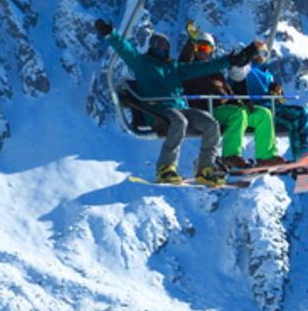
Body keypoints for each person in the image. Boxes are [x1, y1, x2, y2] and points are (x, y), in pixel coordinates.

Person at [95, 18, 261, 186]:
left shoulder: (175, 67)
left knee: (211, 124)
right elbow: (125, 49)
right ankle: (166, 168)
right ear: (150, 47)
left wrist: (228, 61)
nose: (161, 48)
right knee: (179, 121)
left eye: (164, 45)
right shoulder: (142, 63)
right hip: (157, 111)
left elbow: (203, 67)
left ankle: (206, 168)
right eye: (157, 44)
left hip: (180, 109)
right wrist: (110, 34)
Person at [178, 22, 286, 169]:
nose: (203, 52)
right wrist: (190, 42)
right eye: (199, 48)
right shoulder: (189, 70)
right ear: (195, 51)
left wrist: (239, 101)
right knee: (237, 114)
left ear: (211, 51)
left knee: (264, 114)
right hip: (208, 111)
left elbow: (236, 64)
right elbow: (182, 64)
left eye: (207, 48)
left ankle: (266, 156)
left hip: (229, 108)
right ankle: (230, 156)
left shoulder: (215, 71)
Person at [229, 44, 308, 162]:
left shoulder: (268, 75)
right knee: (301, 115)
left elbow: (269, 95)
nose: (259, 57)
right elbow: (251, 89)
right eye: (256, 53)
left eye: (263, 54)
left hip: (270, 106)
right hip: (259, 108)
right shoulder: (246, 70)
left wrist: (277, 94)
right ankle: (302, 155)